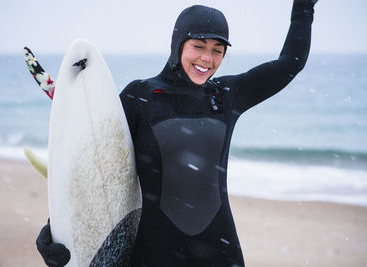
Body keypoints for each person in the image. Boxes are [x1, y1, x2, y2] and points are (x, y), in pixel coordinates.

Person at [36, 1, 318, 266]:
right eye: (199, 46)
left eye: (218, 50)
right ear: (178, 43)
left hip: (220, 252)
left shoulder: (226, 96)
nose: (207, 58)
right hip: (154, 252)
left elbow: (290, 63)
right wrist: (57, 228)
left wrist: (303, 8)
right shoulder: (140, 96)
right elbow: (99, 166)